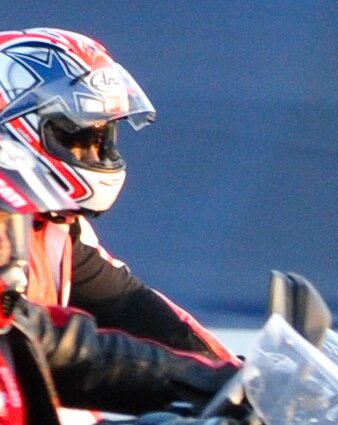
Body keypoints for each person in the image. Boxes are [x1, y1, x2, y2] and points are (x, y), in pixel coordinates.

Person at [0, 28, 230, 363]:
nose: (93, 155)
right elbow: (60, 350)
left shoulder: (51, 228)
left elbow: (131, 306)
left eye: (100, 139)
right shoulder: (15, 232)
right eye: (77, 138)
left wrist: (237, 374)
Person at [0, 155, 238, 425]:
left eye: (6, 224)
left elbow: (85, 355)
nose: (5, 242)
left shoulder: (12, 317)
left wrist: (221, 381)